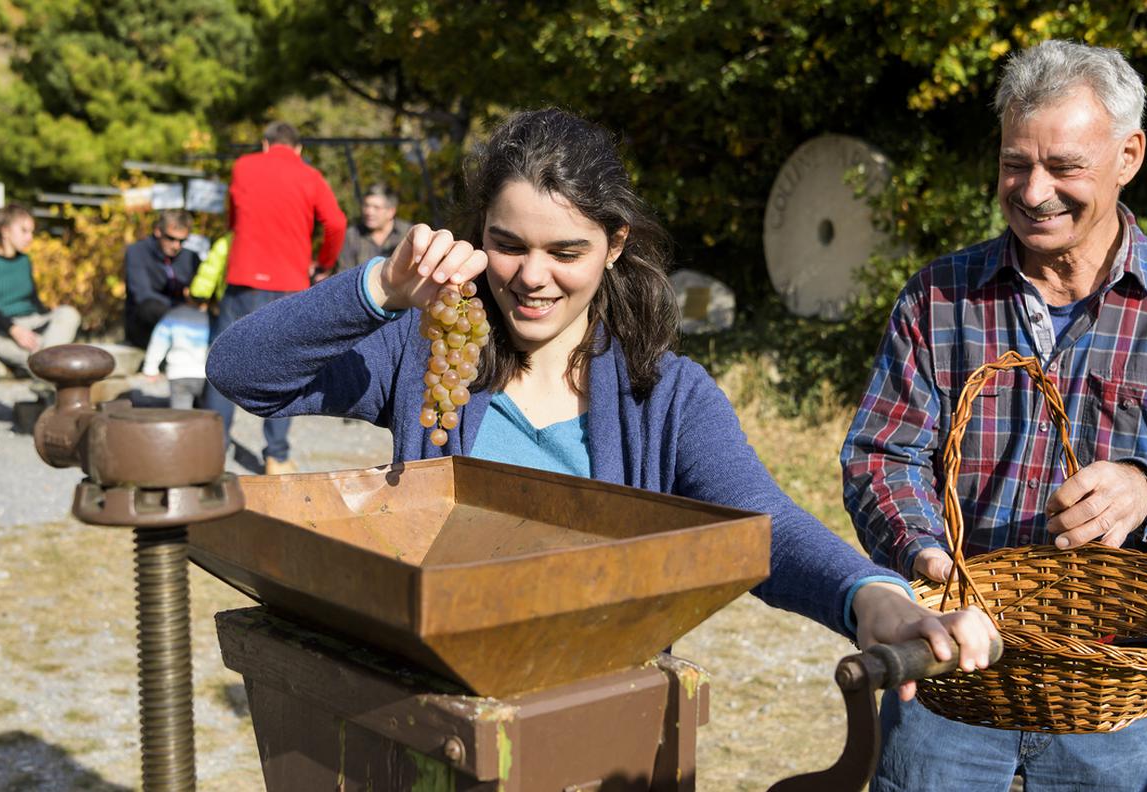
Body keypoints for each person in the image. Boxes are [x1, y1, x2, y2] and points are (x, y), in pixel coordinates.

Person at [208, 108, 997, 686]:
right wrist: (378, 287)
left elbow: (767, 528)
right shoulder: (420, 354)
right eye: (507, 244)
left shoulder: (668, 396)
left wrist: (871, 598)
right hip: (430, 701)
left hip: (591, 709)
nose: (531, 276)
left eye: (567, 251)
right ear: (478, 231)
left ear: (614, 246)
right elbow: (244, 372)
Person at [840, 40, 1147, 791]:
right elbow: (881, 454)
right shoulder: (940, 296)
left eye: (1065, 166)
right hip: (953, 670)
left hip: (1113, 691)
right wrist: (922, 551)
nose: (1034, 189)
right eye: (1016, 163)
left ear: (1128, 155)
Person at [200, 120, 347, 475]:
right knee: (285, 370)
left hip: (243, 279)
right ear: (298, 149)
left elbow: (233, 219)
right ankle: (276, 456)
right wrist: (323, 263)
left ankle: (211, 454)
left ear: (265, 144)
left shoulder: (243, 166)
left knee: (223, 362)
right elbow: (337, 223)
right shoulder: (310, 176)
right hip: (289, 283)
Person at [0, 203, 81, 373]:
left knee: (69, 314)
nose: (30, 237)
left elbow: (33, 300)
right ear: (5, 231)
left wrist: (53, 320)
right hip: (2, 331)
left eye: (31, 232)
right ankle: (47, 364)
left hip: (33, 323)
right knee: (53, 359)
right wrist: (13, 329)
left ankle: (44, 363)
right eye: (24, 231)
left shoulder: (24, 261)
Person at [124, 209, 200, 348]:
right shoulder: (137, 251)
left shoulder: (190, 257)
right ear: (158, 231)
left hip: (182, 322)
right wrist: (179, 309)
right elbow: (142, 294)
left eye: (182, 241)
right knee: (150, 306)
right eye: (171, 238)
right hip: (146, 326)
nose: (176, 246)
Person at [142, 302, 210, 410]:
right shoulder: (211, 317)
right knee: (208, 415)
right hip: (206, 374)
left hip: (178, 373)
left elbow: (158, 342)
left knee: (181, 417)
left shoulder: (173, 315)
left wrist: (150, 368)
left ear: (186, 292)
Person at [335, 183, 413, 272]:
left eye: (376, 207)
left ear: (391, 211)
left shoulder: (408, 234)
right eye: (366, 206)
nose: (369, 212)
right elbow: (343, 274)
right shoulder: (352, 235)